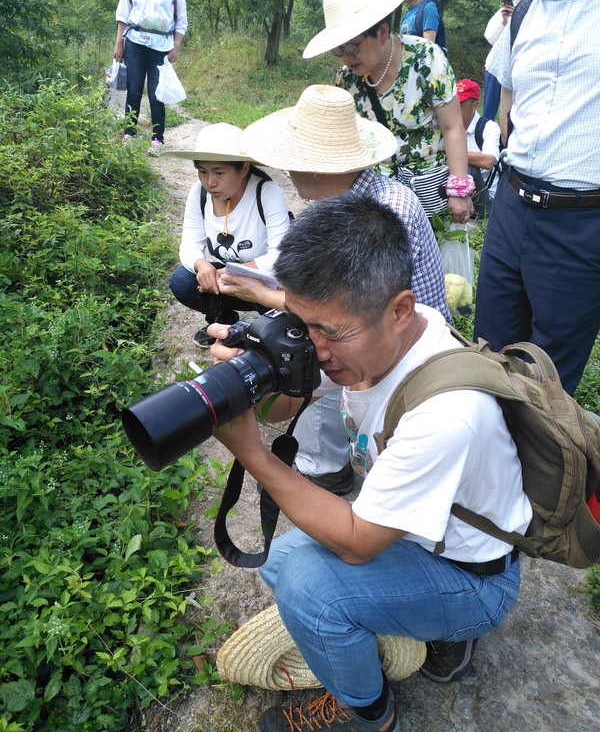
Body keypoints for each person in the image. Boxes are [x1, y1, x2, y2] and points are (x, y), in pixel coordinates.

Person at [209, 193, 531, 732]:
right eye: (300, 324)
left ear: (399, 309)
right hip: (420, 535)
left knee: (309, 589)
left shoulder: (447, 413)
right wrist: (257, 376)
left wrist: (253, 456)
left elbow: (357, 541)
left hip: (475, 578)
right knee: (280, 563)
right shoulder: (387, 329)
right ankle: (400, 628)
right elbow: (284, 406)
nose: (315, 347)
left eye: (329, 334)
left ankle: (370, 713)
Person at [221, 84, 451, 496]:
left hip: (405, 359)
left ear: (315, 165)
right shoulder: (345, 203)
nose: (287, 171)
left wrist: (260, 297)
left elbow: (344, 316)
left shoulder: (383, 212)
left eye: (292, 160)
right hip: (370, 338)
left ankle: (352, 473)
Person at [475, 0, 600, 397]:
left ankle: (543, 470)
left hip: (581, 220)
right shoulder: (526, 10)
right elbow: (507, 96)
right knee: (487, 356)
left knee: (548, 385)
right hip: (512, 205)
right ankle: (489, 464)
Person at [303, 0, 474, 222]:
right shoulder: (346, 80)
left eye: (352, 47)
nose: (345, 57)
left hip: (428, 194)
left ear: (382, 32)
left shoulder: (424, 59)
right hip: (378, 202)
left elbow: (452, 126)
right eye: (337, 50)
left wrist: (458, 189)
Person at [164, 123, 291, 347]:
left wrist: (230, 273)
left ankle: (266, 329)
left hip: (263, 283)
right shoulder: (199, 194)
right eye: (203, 171)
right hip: (224, 281)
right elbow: (189, 245)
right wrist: (202, 266)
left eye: (219, 173)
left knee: (278, 295)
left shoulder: (266, 192)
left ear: (243, 169)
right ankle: (223, 318)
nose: (210, 182)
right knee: (182, 280)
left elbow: (279, 256)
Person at [114, 0, 188, 155]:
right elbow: (123, 13)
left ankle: (157, 140)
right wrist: (119, 42)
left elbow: (181, 20)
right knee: (134, 89)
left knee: (157, 93)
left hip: (161, 47)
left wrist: (176, 46)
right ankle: (129, 134)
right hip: (135, 43)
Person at [482, 0, 549, 120]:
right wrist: (505, 21)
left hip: (520, 67)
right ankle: (483, 140)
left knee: (513, 113)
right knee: (488, 112)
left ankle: (507, 141)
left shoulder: (539, 9)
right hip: (496, 64)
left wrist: (519, 16)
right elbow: (490, 37)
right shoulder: (506, 8)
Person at [456, 78, 501, 215]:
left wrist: (450, 153)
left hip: (485, 196)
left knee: (470, 168)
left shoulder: (488, 127)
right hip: (455, 192)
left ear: (475, 105)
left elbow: (488, 161)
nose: (454, 111)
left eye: (460, 106)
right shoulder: (446, 128)